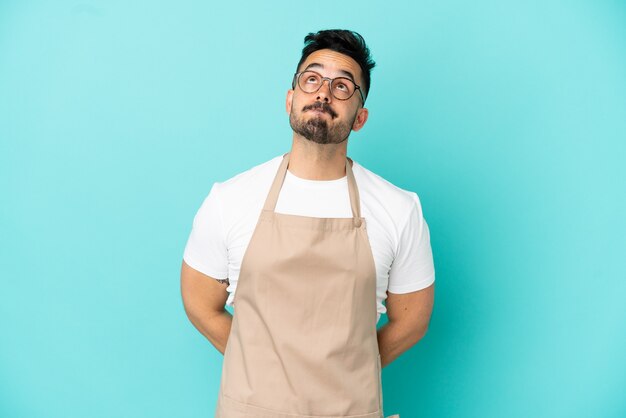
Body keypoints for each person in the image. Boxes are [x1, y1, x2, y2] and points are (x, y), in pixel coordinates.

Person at [180, 29, 435, 418]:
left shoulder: (399, 208)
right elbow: (200, 303)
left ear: (360, 117)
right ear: (290, 99)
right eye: (311, 79)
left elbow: (412, 320)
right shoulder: (229, 199)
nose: (324, 93)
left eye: (343, 86)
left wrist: (346, 373)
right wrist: (266, 372)